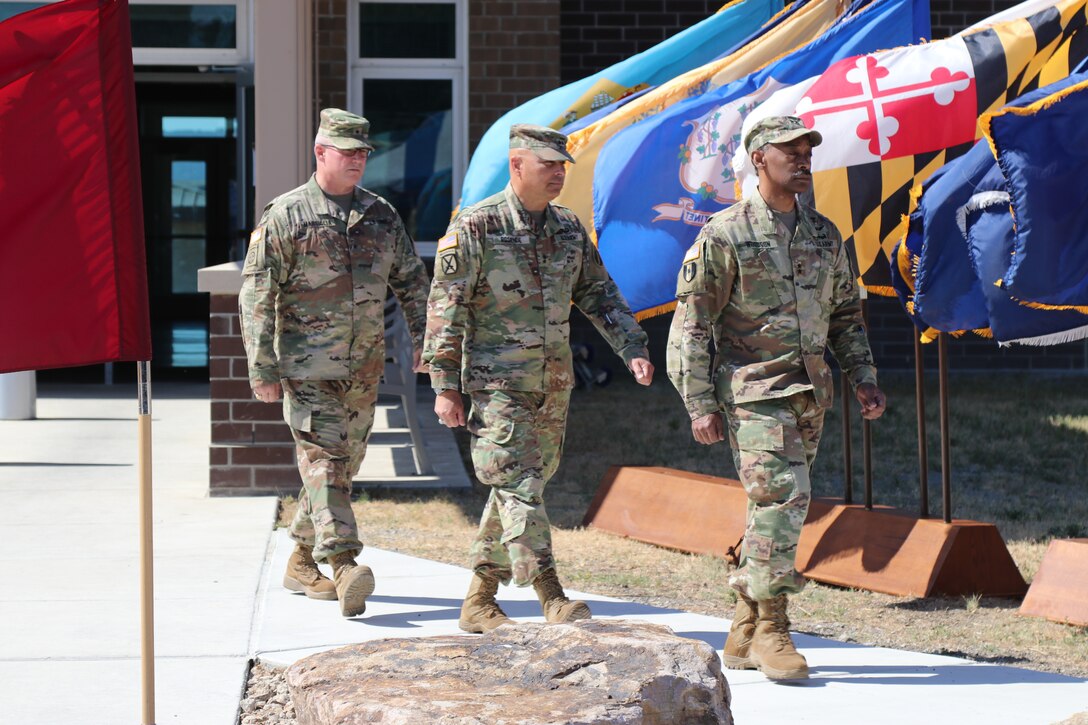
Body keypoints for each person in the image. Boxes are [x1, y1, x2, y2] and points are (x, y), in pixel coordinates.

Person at [666, 116, 886, 680]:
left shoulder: (823, 233)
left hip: (811, 394)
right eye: (789, 151)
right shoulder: (726, 234)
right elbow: (691, 325)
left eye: (807, 150)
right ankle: (772, 626)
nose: (803, 159)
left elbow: (844, 314)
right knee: (786, 499)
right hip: (753, 393)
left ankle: (741, 626)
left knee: (770, 507)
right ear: (758, 159)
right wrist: (699, 404)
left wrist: (862, 375)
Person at [424, 124, 655, 633]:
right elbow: (446, 311)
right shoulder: (475, 228)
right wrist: (445, 385)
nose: (557, 173)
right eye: (547, 163)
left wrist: (632, 348)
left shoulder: (568, 228)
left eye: (561, 166)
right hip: (496, 384)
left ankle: (479, 599)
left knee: (517, 488)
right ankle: (551, 593)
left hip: (553, 384)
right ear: (517, 165)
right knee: (519, 484)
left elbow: (600, 293)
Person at [239, 108, 429, 618]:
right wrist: (262, 368)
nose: (358, 162)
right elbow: (256, 294)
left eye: (364, 153)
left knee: (339, 473)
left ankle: (301, 561)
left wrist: (430, 347)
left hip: (363, 369)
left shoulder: (380, 215)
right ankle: (345, 566)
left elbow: (412, 283)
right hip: (306, 370)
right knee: (324, 463)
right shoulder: (287, 215)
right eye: (348, 152)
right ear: (320, 153)